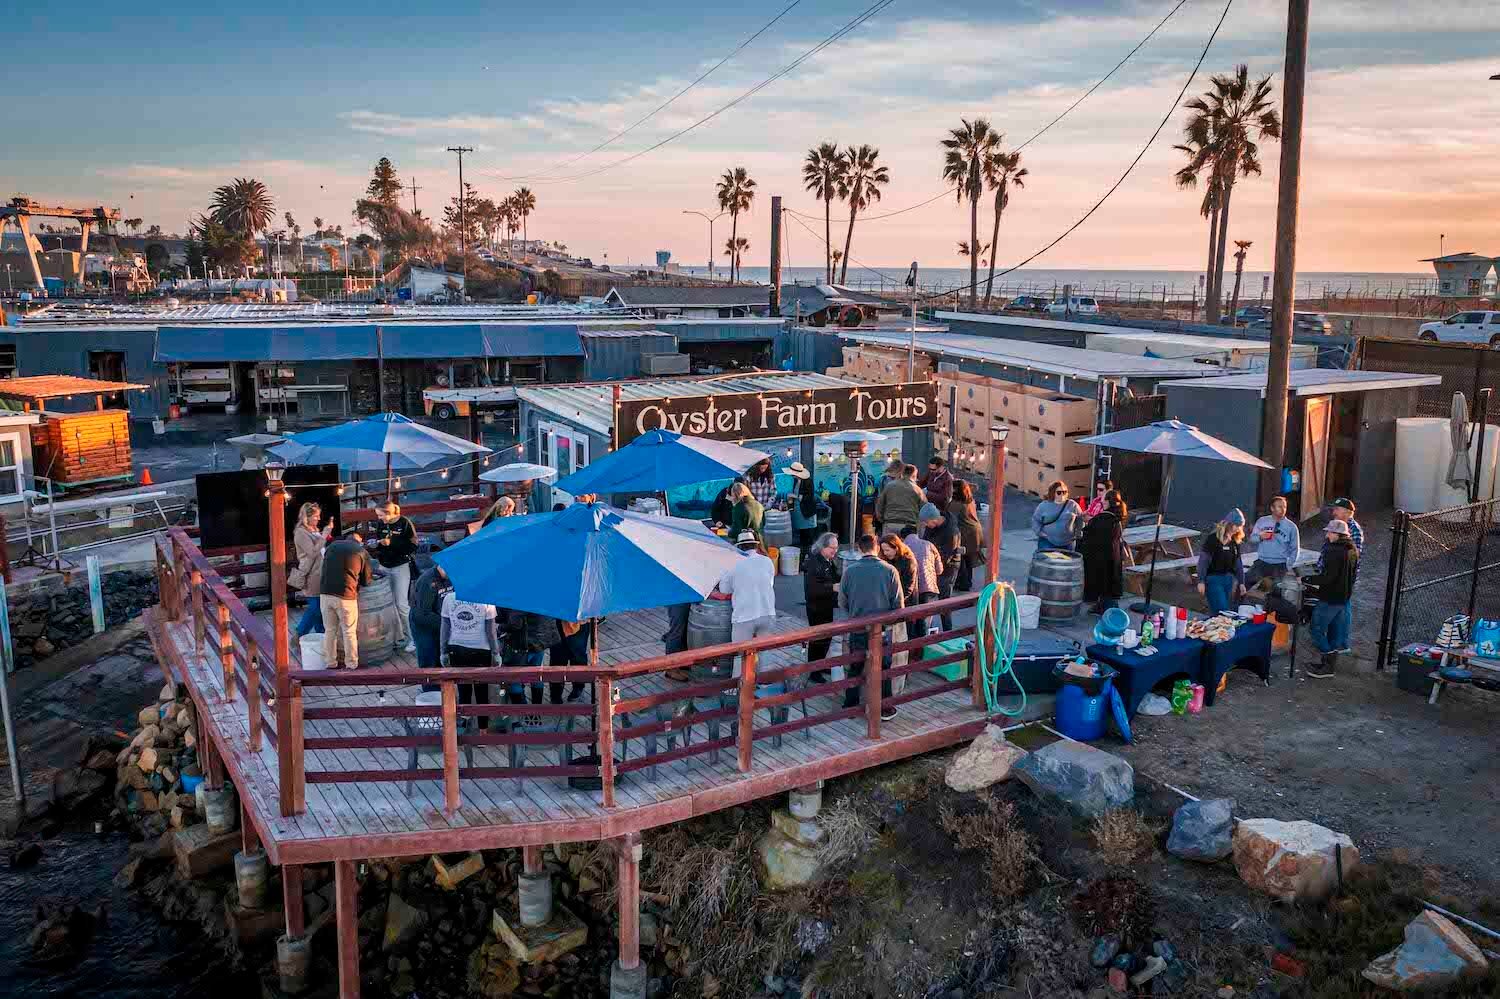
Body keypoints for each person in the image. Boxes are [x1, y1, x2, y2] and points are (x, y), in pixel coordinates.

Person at [838, 533, 903, 720]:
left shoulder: (850, 571)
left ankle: (850, 705)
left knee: (855, 667)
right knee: (884, 667)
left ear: (859, 549)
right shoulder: (890, 571)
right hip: (882, 629)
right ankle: (885, 707)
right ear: (877, 548)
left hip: (858, 627)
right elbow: (898, 606)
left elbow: (842, 602)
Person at [441, 587, 500, 728]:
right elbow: (491, 632)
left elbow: (444, 628)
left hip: (456, 648)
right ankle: (483, 731)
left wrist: (443, 652)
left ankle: (464, 727)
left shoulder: (448, 599)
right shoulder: (486, 599)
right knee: (482, 693)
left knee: (463, 690)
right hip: (481, 650)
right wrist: (496, 653)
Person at [1305, 520, 1358, 677]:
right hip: (1344, 597)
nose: (1327, 535)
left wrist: (1307, 579)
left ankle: (1327, 664)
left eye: (1329, 532)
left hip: (1330, 598)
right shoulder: (1352, 549)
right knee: (1334, 633)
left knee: (1316, 629)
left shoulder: (1333, 551)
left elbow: (1327, 578)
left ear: (1337, 534)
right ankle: (1328, 664)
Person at [369, 499, 418, 652]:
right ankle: (399, 636)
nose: (379, 519)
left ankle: (414, 639)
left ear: (389, 513)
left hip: (400, 566)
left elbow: (413, 545)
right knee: (389, 604)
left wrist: (392, 543)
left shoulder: (404, 523)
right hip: (384, 565)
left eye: (381, 515)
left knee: (402, 604)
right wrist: (376, 545)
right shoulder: (382, 524)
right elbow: (380, 541)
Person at [319, 531, 372, 670]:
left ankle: (330, 663)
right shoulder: (361, 551)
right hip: (346, 597)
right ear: (358, 541)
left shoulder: (332, 546)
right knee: (348, 631)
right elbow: (366, 581)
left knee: (329, 631)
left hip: (325, 594)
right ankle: (351, 664)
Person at [718, 530, 778, 645]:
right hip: (768, 613)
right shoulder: (767, 561)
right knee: (764, 653)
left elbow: (724, 590)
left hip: (744, 616)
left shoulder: (733, 563)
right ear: (755, 546)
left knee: (741, 655)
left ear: (739, 547)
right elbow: (770, 583)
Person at [1080, 489, 1126, 614]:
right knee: (1110, 584)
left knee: (1102, 584)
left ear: (1106, 502)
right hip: (1114, 556)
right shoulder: (1118, 517)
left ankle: (1109, 611)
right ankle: (1105, 606)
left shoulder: (1101, 518)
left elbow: (1087, 536)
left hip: (1100, 557)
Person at [802, 532, 840, 681]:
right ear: (823, 547)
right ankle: (813, 670)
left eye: (836, 548)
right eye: (832, 548)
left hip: (826, 604)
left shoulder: (827, 560)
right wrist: (832, 587)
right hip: (816, 606)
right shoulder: (814, 563)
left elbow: (835, 576)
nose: (835, 551)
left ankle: (820, 664)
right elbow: (812, 589)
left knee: (826, 638)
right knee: (818, 639)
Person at [921, 502, 963, 632]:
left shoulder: (951, 531)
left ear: (934, 519)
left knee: (944, 601)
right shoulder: (932, 526)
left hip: (949, 566)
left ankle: (947, 631)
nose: (926, 526)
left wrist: (933, 566)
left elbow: (947, 555)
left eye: (927, 523)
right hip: (934, 562)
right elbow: (925, 541)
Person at [290, 502, 330, 638]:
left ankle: (322, 636)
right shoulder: (301, 533)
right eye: (316, 516)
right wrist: (324, 536)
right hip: (311, 574)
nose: (319, 518)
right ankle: (299, 633)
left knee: (320, 608)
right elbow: (312, 552)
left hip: (321, 573)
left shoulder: (314, 530)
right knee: (315, 607)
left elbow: (321, 551)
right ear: (307, 517)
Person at [1195, 510, 1247, 614]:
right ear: (1228, 524)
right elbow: (1203, 561)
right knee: (1222, 610)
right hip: (1213, 579)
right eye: (1236, 525)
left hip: (1228, 579)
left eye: (1239, 526)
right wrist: (1201, 581)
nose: (1237, 529)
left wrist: (1241, 582)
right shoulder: (1213, 539)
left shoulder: (1234, 541)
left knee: (1224, 609)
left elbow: (1238, 563)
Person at [1246, 496, 1301, 587]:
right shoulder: (1262, 521)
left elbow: (1295, 549)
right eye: (1279, 507)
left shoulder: (1291, 527)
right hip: (1262, 561)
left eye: (1284, 507)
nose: (1283, 509)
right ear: (1272, 508)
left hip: (1280, 565)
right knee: (1245, 582)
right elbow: (1252, 539)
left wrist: (1288, 565)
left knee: (1276, 592)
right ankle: (1239, 601)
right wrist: (1260, 537)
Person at [903, 527, 944, 639]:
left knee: (911, 622)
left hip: (912, 591)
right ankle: (924, 650)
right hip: (930, 588)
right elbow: (940, 569)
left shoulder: (903, 548)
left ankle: (912, 650)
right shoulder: (929, 544)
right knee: (925, 622)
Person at [409, 562, 450, 668]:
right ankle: (430, 684)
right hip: (423, 624)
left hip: (440, 619)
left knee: (442, 659)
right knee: (429, 661)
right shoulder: (426, 581)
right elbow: (422, 615)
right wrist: (447, 624)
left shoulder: (452, 577)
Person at [950, 479, 985, 591]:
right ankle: (967, 582)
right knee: (968, 559)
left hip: (965, 533)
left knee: (962, 559)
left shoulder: (956, 504)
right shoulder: (969, 500)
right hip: (975, 531)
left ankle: (963, 584)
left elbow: (950, 518)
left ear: (956, 490)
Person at [875, 464, 926, 539]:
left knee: (888, 548)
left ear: (902, 473)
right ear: (914, 475)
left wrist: (881, 519)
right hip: (909, 526)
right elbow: (924, 509)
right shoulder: (918, 490)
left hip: (890, 523)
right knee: (907, 549)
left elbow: (880, 504)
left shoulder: (889, 486)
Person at [1031, 480, 1083, 552]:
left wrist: (1078, 532)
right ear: (1052, 493)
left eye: (1064, 492)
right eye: (1059, 492)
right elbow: (1035, 520)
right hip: (1048, 542)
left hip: (1068, 543)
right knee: (1047, 562)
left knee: (1066, 563)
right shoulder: (1044, 506)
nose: (1062, 495)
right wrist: (1039, 532)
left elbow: (1080, 518)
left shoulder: (1073, 505)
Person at [547, 619, 591, 703]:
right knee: (557, 661)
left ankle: (578, 688)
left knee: (578, 658)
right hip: (557, 622)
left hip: (580, 622)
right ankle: (556, 694)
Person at [879, 533, 919, 609]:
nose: (885, 553)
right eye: (883, 550)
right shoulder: (885, 559)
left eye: (887, 550)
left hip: (906, 603)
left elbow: (908, 587)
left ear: (896, 548)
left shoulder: (908, 561)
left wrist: (896, 602)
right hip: (890, 602)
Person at [787, 462, 819, 551]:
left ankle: (809, 552)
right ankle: (803, 550)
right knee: (802, 534)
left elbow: (809, 496)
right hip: (798, 510)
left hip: (807, 510)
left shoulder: (808, 481)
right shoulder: (796, 480)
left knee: (808, 534)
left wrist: (795, 496)